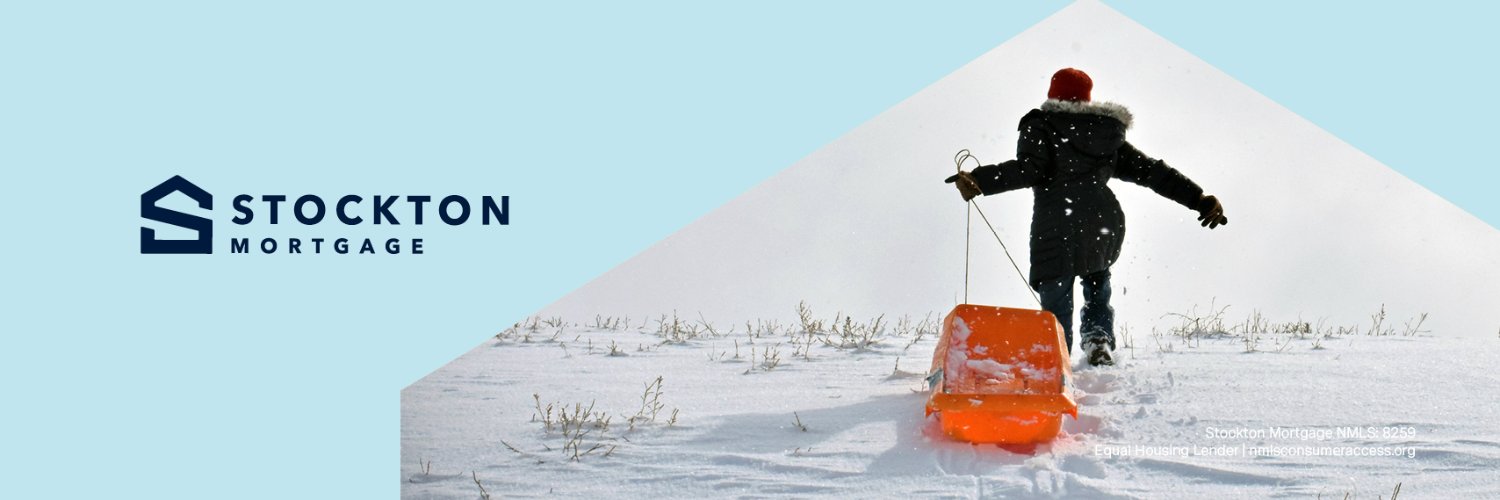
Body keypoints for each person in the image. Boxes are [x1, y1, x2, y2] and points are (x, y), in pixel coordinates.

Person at [945, 68, 1228, 367]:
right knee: (1097, 282)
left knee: (1056, 292)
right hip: (1102, 223)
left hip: (1056, 225)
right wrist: (1198, 198)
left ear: (1052, 95)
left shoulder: (1041, 126)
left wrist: (980, 180)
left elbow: (1028, 170)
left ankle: (1057, 356)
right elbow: (1152, 172)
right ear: (1087, 99)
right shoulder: (1106, 133)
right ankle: (1098, 340)